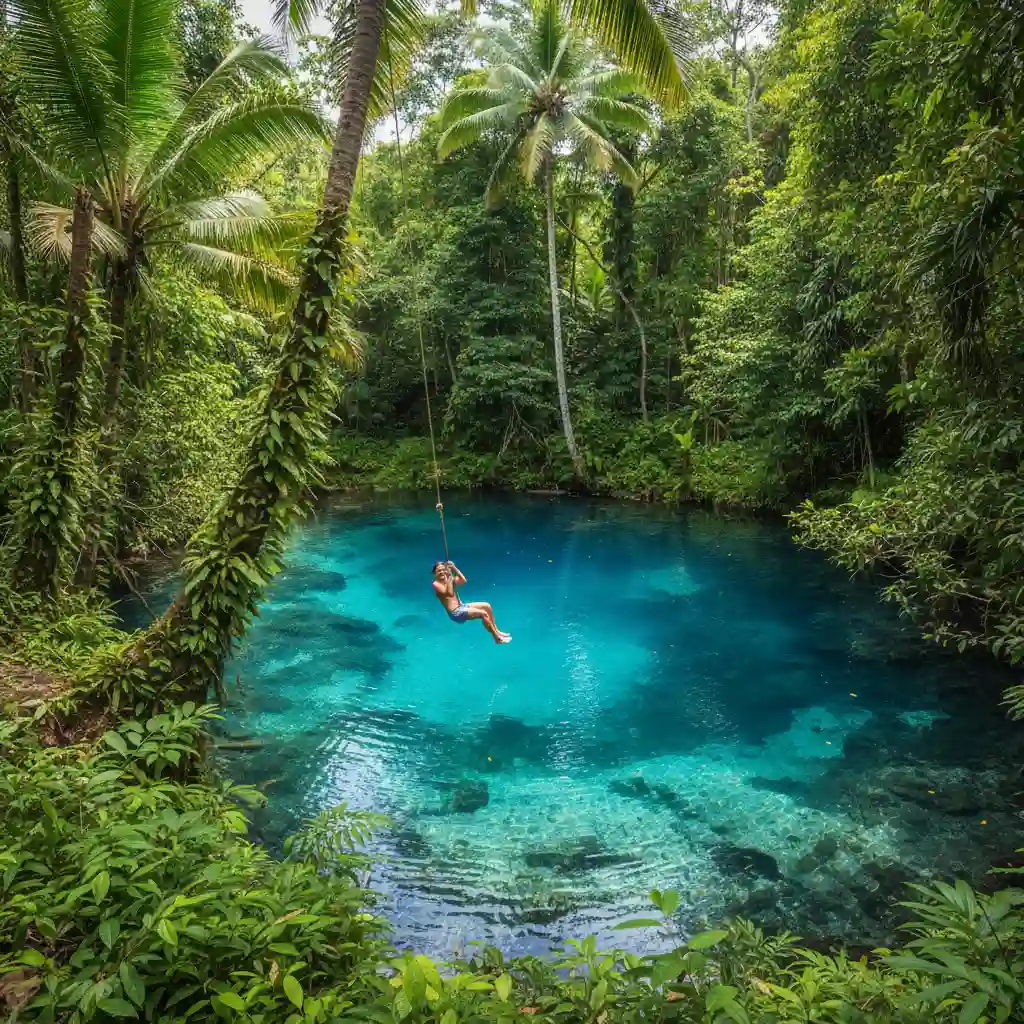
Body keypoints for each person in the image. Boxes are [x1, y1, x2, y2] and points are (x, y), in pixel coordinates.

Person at [432, 560, 511, 644]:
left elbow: (463, 581)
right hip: (455, 612)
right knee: (483, 613)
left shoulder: (448, 580)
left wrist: (454, 568)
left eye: (443, 570)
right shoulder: (436, 584)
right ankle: (497, 638)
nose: (442, 572)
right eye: (439, 571)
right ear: (435, 573)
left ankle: (497, 630)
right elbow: (449, 594)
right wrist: (450, 577)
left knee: (487, 606)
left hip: (461, 606)